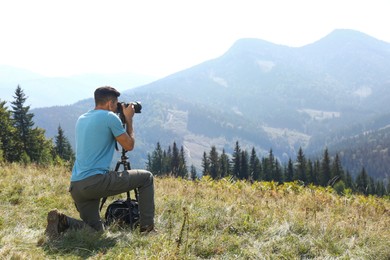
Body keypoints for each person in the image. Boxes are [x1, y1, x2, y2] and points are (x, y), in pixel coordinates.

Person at [45, 86, 155, 239]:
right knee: (146, 177)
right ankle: (147, 229)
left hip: (76, 186)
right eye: (116, 104)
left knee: (96, 233)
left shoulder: (82, 118)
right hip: (95, 182)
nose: (117, 107)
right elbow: (129, 145)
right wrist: (128, 120)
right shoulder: (110, 117)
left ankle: (63, 221)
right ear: (110, 104)